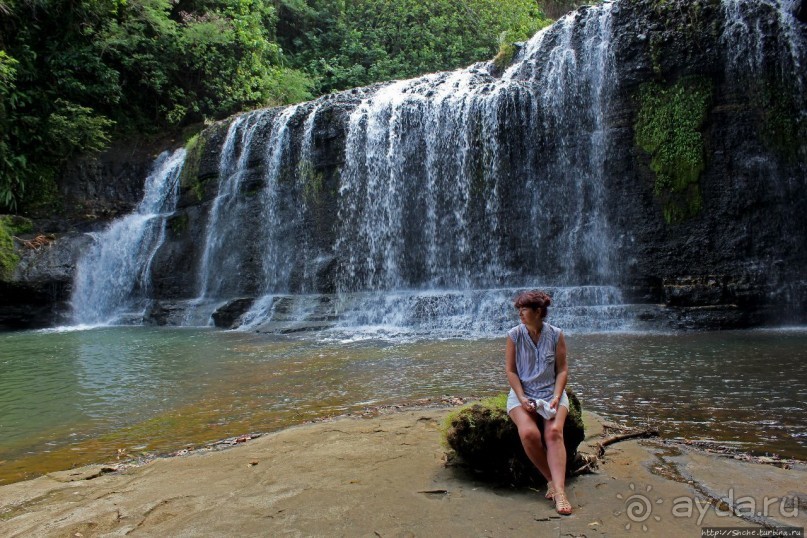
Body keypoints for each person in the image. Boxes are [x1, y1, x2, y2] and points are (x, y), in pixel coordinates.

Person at [505, 290, 572, 515]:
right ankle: (551, 480)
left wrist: (555, 396)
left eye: (524, 309)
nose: (520, 314)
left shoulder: (556, 335)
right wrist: (522, 397)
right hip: (522, 393)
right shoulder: (514, 335)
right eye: (519, 309)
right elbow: (511, 371)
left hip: (551, 392)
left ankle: (560, 493)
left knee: (553, 432)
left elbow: (562, 370)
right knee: (528, 434)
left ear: (539, 311)